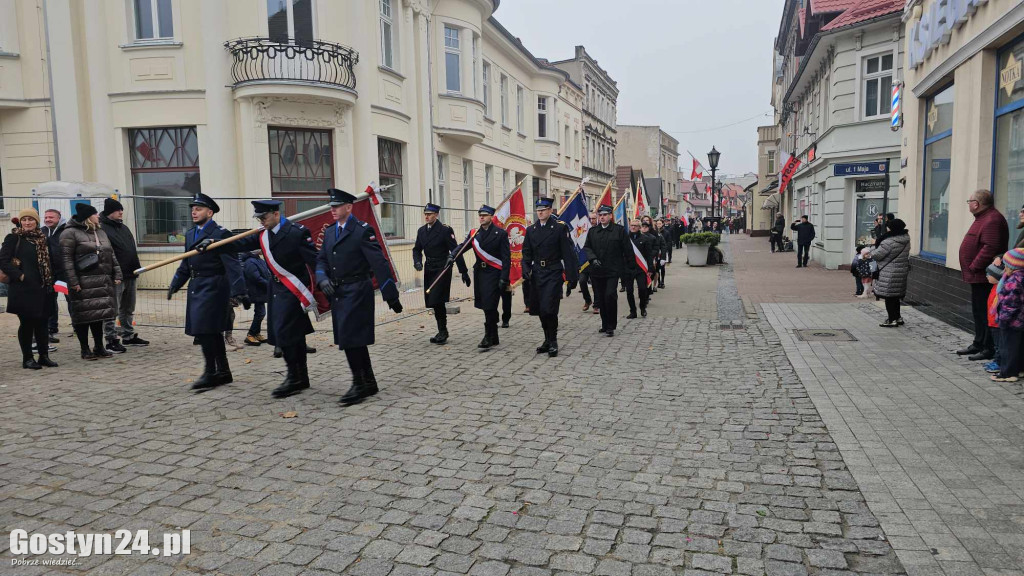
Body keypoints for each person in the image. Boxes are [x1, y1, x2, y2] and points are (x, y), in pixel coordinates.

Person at [216, 200, 319, 398]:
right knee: (289, 336)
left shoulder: (297, 232)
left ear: (275, 214)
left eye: (264, 217)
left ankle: (295, 377)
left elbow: (314, 260)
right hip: (276, 291)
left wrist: (321, 283)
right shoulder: (263, 235)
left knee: (289, 336)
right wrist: (214, 243)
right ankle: (299, 377)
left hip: (295, 291)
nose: (261, 221)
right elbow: (238, 243)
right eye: (259, 218)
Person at [315, 188, 403, 406]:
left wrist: (391, 296)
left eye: (336, 206)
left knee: (351, 339)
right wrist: (321, 278)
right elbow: (321, 260)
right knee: (351, 339)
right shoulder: (329, 232)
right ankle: (368, 381)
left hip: (357, 290)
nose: (333, 210)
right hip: (337, 292)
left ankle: (358, 384)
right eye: (331, 207)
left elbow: (379, 263)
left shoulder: (362, 230)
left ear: (349, 207)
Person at [167, 193, 247, 390]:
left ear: (210, 212)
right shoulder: (190, 234)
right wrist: (176, 283)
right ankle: (223, 372)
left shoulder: (221, 234)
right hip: (197, 287)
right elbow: (186, 262)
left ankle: (211, 372)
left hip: (214, 286)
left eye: (199, 208)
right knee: (209, 332)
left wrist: (240, 290)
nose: (194, 211)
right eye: (192, 208)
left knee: (206, 331)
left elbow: (233, 264)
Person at [61, 203, 122, 361]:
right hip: (83, 281)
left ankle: (99, 346)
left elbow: (111, 254)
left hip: (102, 280)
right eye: (95, 214)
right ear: (88, 217)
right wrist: (73, 281)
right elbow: (66, 260)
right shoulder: (70, 233)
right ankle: (84, 349)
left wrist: (117, 273)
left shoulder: (100, 231)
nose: (98, 216)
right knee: (83, 317)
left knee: (98, 315)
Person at [1, 209, 59, 369]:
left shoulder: (42, 239)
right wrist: (20, 276)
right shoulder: (14, 238)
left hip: (43, 287)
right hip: (23, 289)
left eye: (31, 219)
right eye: (24, 219)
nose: (27, 222)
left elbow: (51, 261)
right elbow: (4, 261)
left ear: (36, 222)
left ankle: (43, 356)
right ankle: (27, 358)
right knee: (26, 324)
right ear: (20, 222)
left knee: (42, 323)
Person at [522, 197, 577, 357]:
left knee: (549, 308)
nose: (540, 212)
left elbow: (568, 253)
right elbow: (526, 252)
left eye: (543, 209)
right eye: (538, 210)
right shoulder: (531, 230)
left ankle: (553, 341)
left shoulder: (559, 228)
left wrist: (571, 277)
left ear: (550, 210)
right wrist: (525, 268)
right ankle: (546, 339)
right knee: (539, 309)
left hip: (553, 272)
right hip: (537, 272)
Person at [957, 190, 1009, 360]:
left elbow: (990, 248)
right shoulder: (983, 218)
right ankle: (978, 343)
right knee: (978, 311)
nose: (968, 204)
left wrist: (974, 266)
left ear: (976, 204)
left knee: (985, 311)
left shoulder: (992, 219)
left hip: (984, 276)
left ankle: (988, 347)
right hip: (977, 276)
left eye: (969, 201)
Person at [413, 203, 468, 345]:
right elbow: (416, 249)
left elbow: (456, 250)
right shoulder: (421, 231)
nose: (427, 216)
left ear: (436, 215)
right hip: (429, 268)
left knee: (437, 299)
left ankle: (443, 331)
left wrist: (464, 271)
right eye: (425, 214)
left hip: (442, 268)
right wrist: (417, 261)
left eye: (430, 214)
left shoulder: (444, 230)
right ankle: (442, 330)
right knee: (433, 301)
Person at [99, 198, 148, 353]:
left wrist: (136, 268)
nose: (121, 212)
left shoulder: (123, 227)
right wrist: (112, 273)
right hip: (115, 276)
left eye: (121, 210)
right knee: (112, 308)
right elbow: (105, 254)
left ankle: (128, 335)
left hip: (131, 273)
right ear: (109, 212)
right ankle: (111, 339)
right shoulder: (102, 229)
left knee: (128, 307)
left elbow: (130, 249)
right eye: (117, 210)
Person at [462, 204, 511, 350]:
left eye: (484, 215)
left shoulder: (500, 233)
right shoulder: (475, 233)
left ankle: (488, 336)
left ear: (491, 217)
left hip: (494, 273)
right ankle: (494, 334)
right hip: (480, 274)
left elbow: (506, 258)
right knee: (485, 305)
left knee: (490, 304)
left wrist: (504, 277)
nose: (481, 217)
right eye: (480, 215)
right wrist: (452, 255)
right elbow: (463, 246)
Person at [584, 204, 635, 337]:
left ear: (610, 216)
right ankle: (604, 323)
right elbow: (587, 247)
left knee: (610, 296)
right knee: (600, 298)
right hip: (597, 271)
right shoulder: (593, 231)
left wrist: (630, 267)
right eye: (600, 215)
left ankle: (611, 325)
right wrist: (593, 259)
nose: (602, 217)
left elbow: (627, 249)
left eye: (605, 215)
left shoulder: (619, 230)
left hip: (613, 270)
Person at [870, 218, 911, 327]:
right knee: (895, 297)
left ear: (892, 228)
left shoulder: (889, 241)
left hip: (889, 272)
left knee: (889, 297)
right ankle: (898, 318)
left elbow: (877, 255)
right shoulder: (906, 238)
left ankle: (891, 320)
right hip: (901, 271)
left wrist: (873, 246)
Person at [993, 248, 1024, 382]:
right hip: (1020, 320)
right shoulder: (1020, 277)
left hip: (1012, 321)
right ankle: (1018, 370)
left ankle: (1007, 373)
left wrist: (1003, 319)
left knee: (1008, 348)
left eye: (1006, 264)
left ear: (1013, 265)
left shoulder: (1014, 280)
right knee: (1018, 346)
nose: (1004, 267)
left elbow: (1011, 303)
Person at [41, 208, 66, 342]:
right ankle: (52, 328)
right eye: (46, 217)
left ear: (59, 218)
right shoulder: (42, 231)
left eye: (51, 217)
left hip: (65, 272)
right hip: (49, 273)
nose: (48, 219)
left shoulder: (66, 231)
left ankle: (77, 325)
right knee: (50, 300)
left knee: (71, 299)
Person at [240, 250, 270, 346]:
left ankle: (256, 333)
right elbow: (255, 277)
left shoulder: (258, 260)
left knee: (260, 312)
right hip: (255, 291)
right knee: (261, 313)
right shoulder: (250, 262)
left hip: (260, 291)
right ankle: (251, 334)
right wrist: (269, 284)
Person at [624, 219, 653, 319]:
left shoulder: (645, 239)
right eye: (631, 225)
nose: (633, 227)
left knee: (642, 289)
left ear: (639, 227)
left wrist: (650, 269)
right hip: (628, 268)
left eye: (635, 226)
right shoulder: (625, 238)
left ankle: (642, 307)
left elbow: (649, 255)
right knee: (629, 291)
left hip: (641, 269)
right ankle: (633, 311)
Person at [983, 263, 1004, 375]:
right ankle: (997, 361)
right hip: (992, 322)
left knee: (999, 345)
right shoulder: (995, 287)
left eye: (989, 274)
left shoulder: (999, 289)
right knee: (997, 344)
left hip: (997, 323)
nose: (986, 276)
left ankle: (999, 363)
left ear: (996, 276)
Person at [580, 212, 597, 312]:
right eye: (590, 218)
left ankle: (596, 304)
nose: (592, 220)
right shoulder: (583, 229)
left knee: (596, 284)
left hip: (594, 260)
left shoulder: (598, 230)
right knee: (582, 281)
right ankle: (587, 300)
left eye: (594, 218)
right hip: (584, 261)